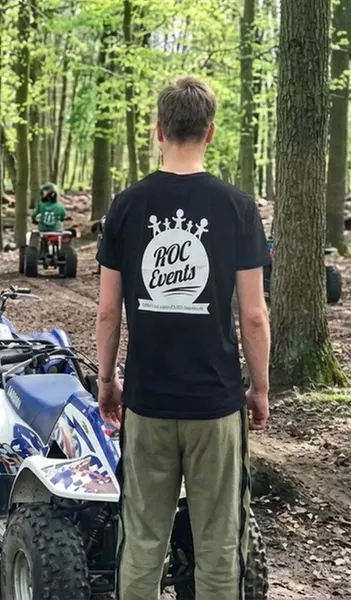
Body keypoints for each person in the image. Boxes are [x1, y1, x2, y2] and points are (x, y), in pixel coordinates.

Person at [94, 76, 271, 600]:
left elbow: (107, 313)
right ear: (210, 132)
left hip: (146, 403)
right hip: (216, 405)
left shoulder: (125, 208)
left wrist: (107, 382)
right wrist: (259, 390)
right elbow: (254, 315)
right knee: (219, 542)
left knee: (143, 538)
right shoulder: (238, 208)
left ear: (157, 131)